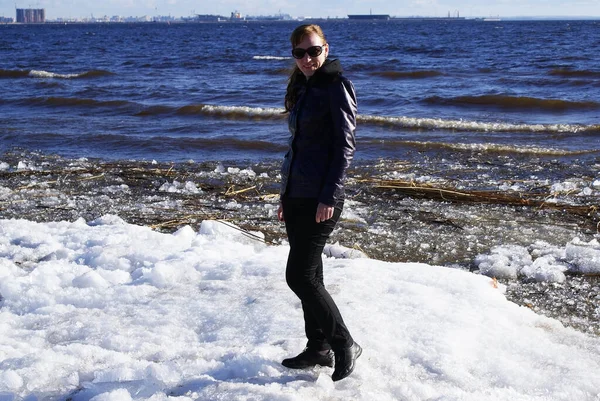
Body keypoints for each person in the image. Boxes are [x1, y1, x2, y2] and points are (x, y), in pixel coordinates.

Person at [277, 24, 361, 382]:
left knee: (298, 276)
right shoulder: (302, 85)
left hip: (321, 198)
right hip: (297, 193)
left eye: (314, 51)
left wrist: (329, 195)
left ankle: (344, 343)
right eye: (300, 53)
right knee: (312, 273)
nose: (308, 59)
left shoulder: (335, 86)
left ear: (326, 49)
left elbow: (344, 147)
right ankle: (318, 348)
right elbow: (297, 148)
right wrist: (285, 194)